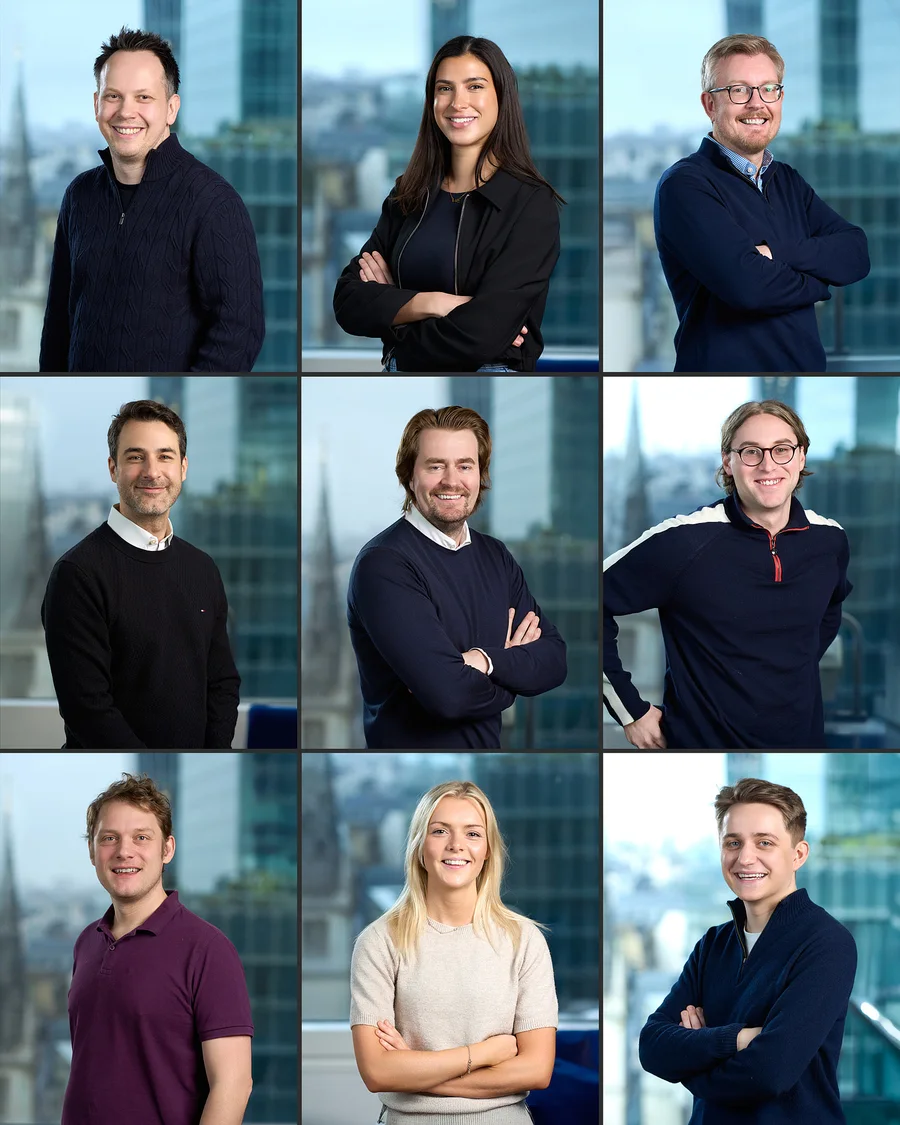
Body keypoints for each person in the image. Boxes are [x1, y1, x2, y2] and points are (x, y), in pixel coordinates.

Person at [603, 399, 852, 749]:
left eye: (781, 450)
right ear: (728, 462)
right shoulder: (684, 541)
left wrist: (790, 665)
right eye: (751, 452)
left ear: (801, 458)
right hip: (698, 747)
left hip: (802, 742)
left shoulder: (830, 539)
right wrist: (630, 710)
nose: (767, 465)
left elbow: (831, 607)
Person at [333, 36, 565, 372]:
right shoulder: (408, 193)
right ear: (432, 101)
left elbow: (482, 336)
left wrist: (395, 316)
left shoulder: (529, 204)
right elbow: (348, 302)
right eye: (445, 89)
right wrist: (436, 303)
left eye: (474, 86)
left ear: (502, 96)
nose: (458, 102)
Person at [39, 26, 264, 372]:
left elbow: (238, 334)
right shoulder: (79, 196)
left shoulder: (213, 202)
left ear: (171, 109)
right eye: (113, 96)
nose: (126, 112)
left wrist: (174, 395)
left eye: (144, 97)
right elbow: (57, 325)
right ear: (97, 104)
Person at [639, 777, 857, 1125]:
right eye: (733, 842)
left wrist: (692, 1063)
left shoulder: (827, 943)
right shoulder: (713, 944)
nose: (745, 857)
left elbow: (770, 1072)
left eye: (765, 842)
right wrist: (738, 1039)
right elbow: (652, 1046)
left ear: (798, 854)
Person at [347, 405, 567, 748]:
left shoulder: (496, 556)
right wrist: (512, 679)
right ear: (409, 476)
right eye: (435, 466)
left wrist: (481, 660)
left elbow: (554, 659)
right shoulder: (383, 565)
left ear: (480, 476)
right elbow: (447, 696)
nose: (452, 481)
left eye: (465, 466)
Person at [653, 34, 869, 373]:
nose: (757, 103)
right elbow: (748, 289)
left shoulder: (787, 181)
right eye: (739, 90)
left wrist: (776, 252)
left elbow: (856, 254)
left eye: (769, 88)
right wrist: (819, 282)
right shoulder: (685, 185)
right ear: (710, 104)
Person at [350, 780, 558, 1124]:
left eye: (473, 834)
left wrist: (416, 1069)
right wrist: (484, 1054)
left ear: (489, 849)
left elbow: (537, 1070)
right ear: (419, 846)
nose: (456, 845)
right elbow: (377, 1072)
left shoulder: (525, 940)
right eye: (440, 831)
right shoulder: (378, 942)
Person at [41, 399, 241, 748]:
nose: (152, 471)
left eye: (165, 456)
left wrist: (211, 753)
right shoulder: (78, 574)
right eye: (135, 457)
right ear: (113, 468)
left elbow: (222, 681)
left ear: (183, 467)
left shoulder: (203, 568)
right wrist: (146, 774)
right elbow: (88, 709)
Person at [62, 772, 253, 1125]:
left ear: (167, 849)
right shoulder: (86, 942)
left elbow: (234, 1084)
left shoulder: (208, 950)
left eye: (141, 837)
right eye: (109, 838)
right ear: (92, 851)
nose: (124, 851)